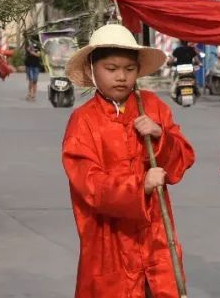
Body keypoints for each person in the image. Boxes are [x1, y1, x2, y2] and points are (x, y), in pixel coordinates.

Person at [61, 23, 195, 298]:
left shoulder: (152, 105)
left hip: (155, 235)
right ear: (92, 69)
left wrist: (161, 137)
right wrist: (139, 186)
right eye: (111, 69)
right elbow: (89, 184)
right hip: (107, 240)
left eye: (129, 69)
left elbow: (183, 159)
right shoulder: (83, 120)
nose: (121, 77)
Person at [23, 36, 42, 102]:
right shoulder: (28, 45)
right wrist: (31, 50)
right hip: (29, 65)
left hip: (36, 65)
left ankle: (34, 94)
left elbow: (38, 55)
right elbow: (28, 50)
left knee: (35, 80)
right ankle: (29, 93)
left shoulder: (39, 46)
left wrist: (32, 52)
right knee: (31, 80)